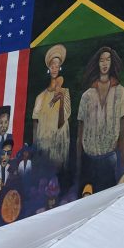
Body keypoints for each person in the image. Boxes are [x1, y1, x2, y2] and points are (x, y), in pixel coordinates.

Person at [76, 46, 124, 192]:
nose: (105, 63)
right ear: (97, 63)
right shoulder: (87, 95)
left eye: (108, 59)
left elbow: (122, 133)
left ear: (112, 63)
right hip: (89, 159)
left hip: (109, 159)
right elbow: (79, 135)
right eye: (101, 60)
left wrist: (123, 167)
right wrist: (79, 166)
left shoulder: (120, 92)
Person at [32, 44, 72, 173]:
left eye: (57, 66)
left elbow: (62, 122)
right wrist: (35, 151)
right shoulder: (40, 97)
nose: (54, 68)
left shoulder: (65, 92)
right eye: (52, 66)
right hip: (43, 148)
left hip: (59, 149)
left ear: (60, 68)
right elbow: (35, 124)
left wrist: (60, 101)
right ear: (49, 68)